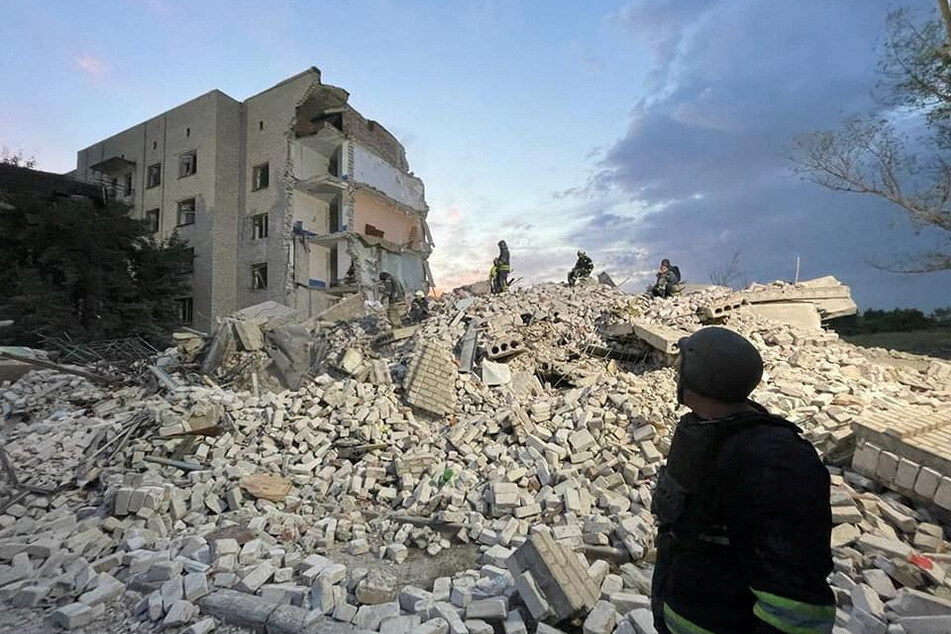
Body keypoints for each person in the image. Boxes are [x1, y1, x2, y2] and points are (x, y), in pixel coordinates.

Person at [651, 327, 835, 634]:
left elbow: (795, 607)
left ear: (695, 382)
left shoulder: (773, 462)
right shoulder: (707, 430)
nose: (675, 372)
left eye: (681, 366)